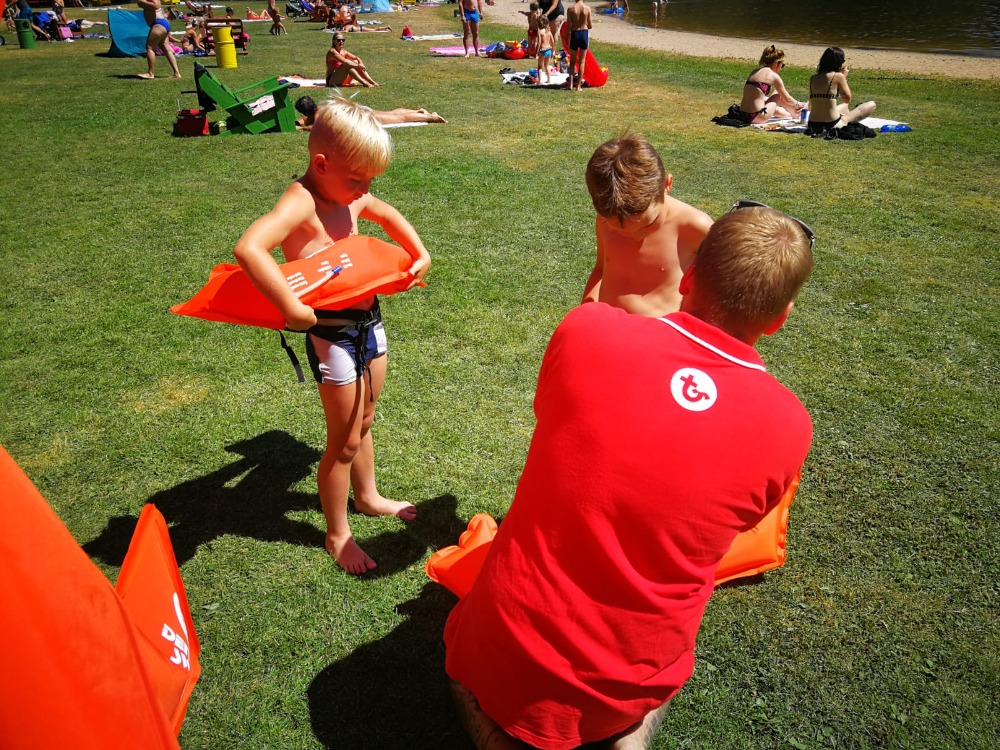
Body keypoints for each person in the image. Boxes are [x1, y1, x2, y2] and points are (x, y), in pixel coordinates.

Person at [444, 201, 815, 750]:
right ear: (780, 317)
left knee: (461, 659)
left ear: (688, 277)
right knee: (634, 703)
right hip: (628, 685)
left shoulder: (587, 328)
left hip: (502, 655)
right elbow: (743, 523)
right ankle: (625, 739)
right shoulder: (789, 425)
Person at [233, 98, 430, 575]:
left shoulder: (348, 189)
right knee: (341, 441)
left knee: (365, 420)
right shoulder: (301, 201)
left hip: (369, 321)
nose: (364, 191)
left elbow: (385, 212)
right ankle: (337, 534)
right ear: (321, 164)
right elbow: (250, 248)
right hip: (331, 333)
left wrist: (419, 251)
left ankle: (367, 496)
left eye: (369, 181)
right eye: (356, 181)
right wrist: (291, 308)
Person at [582, 134, 714, 317]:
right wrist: (586, 310)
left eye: (647, 225)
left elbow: (720, 292)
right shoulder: (605, 220)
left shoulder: (695, 228)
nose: (635, 236)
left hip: (663, 338)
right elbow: (601, 269)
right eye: (617, 229)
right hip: (608, 332)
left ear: (667, 184)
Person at [806, 46, 877, 135]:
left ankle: (846, 114)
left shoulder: (813, 78)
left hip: (812, 124)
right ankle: (849, 116)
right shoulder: (838, 76)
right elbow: (847, 99)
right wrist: (844, 78)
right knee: (872, 104)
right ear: (838, 62)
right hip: (831, 123)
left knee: (844, 106)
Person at [736, 44, 804, 124]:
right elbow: (787, 99)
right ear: (776, 63)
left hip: (743, 114)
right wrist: (798, 104)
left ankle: (791, 114)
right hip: (757, 116)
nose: (781, 68)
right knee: (778, 93)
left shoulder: (754, 72)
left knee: (771, 104)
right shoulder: (773, 76)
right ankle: (796, 112)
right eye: (782, 65)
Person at [295, 95, 446, 130]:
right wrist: (299, 123)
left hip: (361, 116)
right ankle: (418, 112)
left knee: (398, 118)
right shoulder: (321, 108)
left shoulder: (319, 118)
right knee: (392, 113)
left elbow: (314, 128)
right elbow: (306, 121)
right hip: (360, 111)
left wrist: (301, 128)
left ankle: (430, 117)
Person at [137, 0, 182, 79]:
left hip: (158, 23)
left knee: (150, 48)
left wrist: (143, 2)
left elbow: (156, 5)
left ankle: (150, 73)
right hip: (163, 23)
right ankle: (177, 73)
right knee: (166, 50)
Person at [565, 0, 592, 91]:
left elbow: (569, 25)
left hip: (575, 34)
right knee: (582, 61)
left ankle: (570, 84)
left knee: (572, 61)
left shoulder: (570, 9)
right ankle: (578, 86)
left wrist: (565, 36)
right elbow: (590, 25)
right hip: (584, 34)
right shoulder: (587, 8)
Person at [534, 16, 554, 84]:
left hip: (542, 50)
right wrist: (553, 51)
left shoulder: (540, 32)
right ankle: (549, 80)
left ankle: (539, 80)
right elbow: (553, 41)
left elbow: (539, 42)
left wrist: (536, 52)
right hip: (549, 49)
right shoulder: (549, 31)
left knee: (540, 67)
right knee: (546, 66)